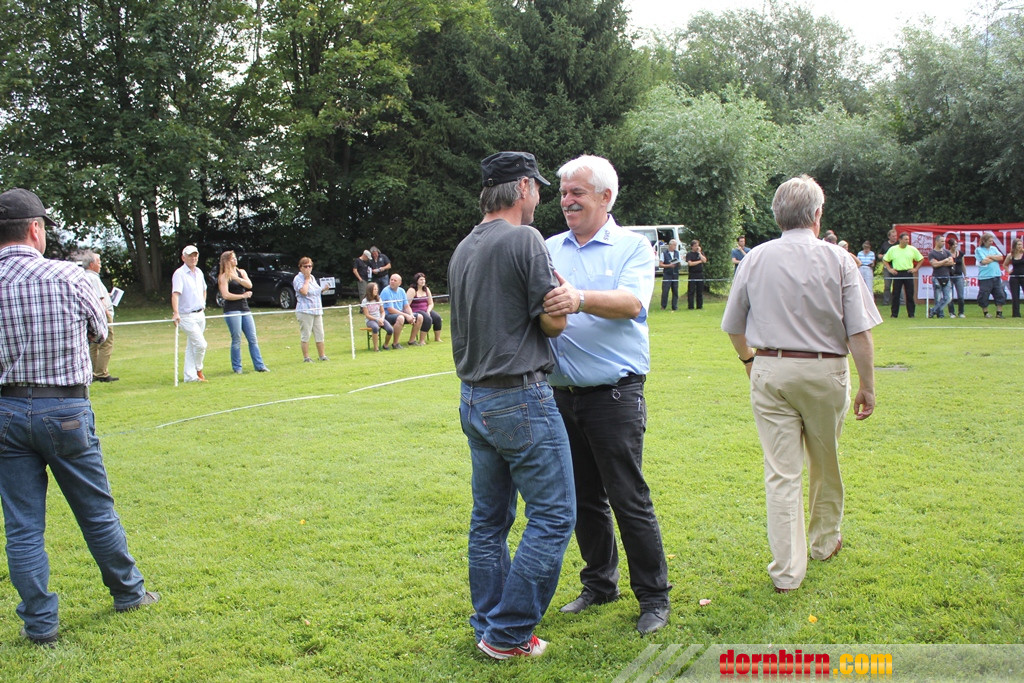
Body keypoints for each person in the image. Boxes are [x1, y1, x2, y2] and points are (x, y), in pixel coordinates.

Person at [0, 188, 159, 646]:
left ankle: (39, 625)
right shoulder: (70, 276)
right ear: (35, 229)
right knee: (95, 510)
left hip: (6, 410)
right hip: (66, 408)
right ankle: (128, 593)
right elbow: (100, 331)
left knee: (22, 527)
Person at [721, 175, 881, 593]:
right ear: (817, 214)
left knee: (781, 473)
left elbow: (733, 325)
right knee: (825, 462)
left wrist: (749, 360)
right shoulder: (840, 259)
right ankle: (824, 543)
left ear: (777, 215)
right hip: (825, 370)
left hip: (770, 368)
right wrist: (868, 384)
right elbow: (859, 331)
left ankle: (787, 571)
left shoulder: (754, 258)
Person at [448, 151, 574, 660]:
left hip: (473, 398)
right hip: (520, 398)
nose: (541, 196)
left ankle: (489, 622)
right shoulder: (526, 240)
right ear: (522, 187)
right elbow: (553, 322)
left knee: (489, 520)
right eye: (538, 186)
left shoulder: (464, 248)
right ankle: (508, 634)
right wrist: (564, 298)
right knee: (554, 515)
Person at [543, 155, 671, 635]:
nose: (567, 201)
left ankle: (654, 597)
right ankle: (600, 584)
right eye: (563, 193)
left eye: (576, 192)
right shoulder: (548, 248)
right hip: (561, 395)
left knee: (627, 497)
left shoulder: (632, 247)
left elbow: (633, 303)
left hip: (614, 396)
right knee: (583, 499)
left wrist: (578, 298)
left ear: (606, 197)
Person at [218, 251, 269, 373]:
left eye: (235, 258)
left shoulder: (241, 272)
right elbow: (225, 295)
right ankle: (237, 368)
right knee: (237, 339)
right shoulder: (223, 277)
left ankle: (260, 366)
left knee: (253, 338)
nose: (235, 260)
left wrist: (236, 278)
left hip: (245, 309)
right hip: (232, 310)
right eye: (232, 258)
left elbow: (249, 284)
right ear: (226, 261)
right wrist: (243, 296)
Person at [171, 244, 209, 382]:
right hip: (186, 315)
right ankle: (198, 370)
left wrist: (203, 304)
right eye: (190, 256)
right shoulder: (179, 274)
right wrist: (176, 312)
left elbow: (204, 289)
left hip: (200, 314)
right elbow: (175, 294)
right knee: (201, 344)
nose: (193, 258)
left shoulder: (199, 272)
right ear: (183, 258)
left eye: (195, 255)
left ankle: (189, 376)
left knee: (192, 345)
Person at [83, 250, 118, 382]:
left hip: (92, 314)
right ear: (91, 264)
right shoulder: (94, 278)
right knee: (106, 342)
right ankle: (102, 373)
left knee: (94, 344)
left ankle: (93, 371)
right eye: (98, 262)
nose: (100, 265)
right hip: (102, 314)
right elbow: (99, 298)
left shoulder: (84, 276)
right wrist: (107, 313)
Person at [293, 256, 329, 362]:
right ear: (300, 267)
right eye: (305, 266)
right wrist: (307, 280)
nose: (308, 268)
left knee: (320, 333)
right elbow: (304, 292)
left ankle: (322, 355)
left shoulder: (312, 277)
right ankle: (306, 357)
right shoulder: (298, 278)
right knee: (306, 335)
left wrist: (323, 289)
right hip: (305, 310)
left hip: (317, 309)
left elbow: (316, 291)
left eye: (310, 266)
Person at [882, 233, 923, 318]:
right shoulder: (893, 249)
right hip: (897, 273)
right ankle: (894, 314)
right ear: (900, 240)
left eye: (908, 239)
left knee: (910, 294)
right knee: (896, 294)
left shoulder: (912, 249)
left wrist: (915, 269)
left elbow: (921, 259)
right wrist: (890, 269)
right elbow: (885, 259)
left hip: (908, 272)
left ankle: (911, 314)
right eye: (905, 239)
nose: (907, 241)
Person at [380, 273, 420, 348]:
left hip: (400, 314)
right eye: (391, 280)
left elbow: (406, 306)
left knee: (420, 317)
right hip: (387, 315)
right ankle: (395, 344)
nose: (392, 281)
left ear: (399, 283)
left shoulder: (401, 291)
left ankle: (411, 341)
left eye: (395, 280)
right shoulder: (386, 291)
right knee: (400, 318)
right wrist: (406, 315)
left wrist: (411, 315)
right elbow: (390, 309)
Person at [975, 233, 1006, 318]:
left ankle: (999, 313)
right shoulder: (979, 250)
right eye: (989, 241)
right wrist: (994, 258)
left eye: (992, 241)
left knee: (1000, 294)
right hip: (985, 277)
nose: (991, 242)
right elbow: (984, 261)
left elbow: (1001, 257)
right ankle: (986, 313)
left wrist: (990, 256)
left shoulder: (994, 248)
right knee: (984, 295)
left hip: (996, 275)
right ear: (984, 241)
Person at [407, 272, 443, 343]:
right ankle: (422, 340)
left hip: (426, 310)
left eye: (424, 279)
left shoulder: (426, 289)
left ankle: (437, 338)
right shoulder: (412, 290)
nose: (423, 281)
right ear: (416, 281)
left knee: (437, 318)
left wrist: (428, 311)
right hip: (416, 310)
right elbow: (407, 304)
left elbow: (431, 303)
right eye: (421, 279)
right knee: (427, 319)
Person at [361, 281, 394, 351]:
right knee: (375, 327)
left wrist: (382, 318)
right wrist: (377, 320)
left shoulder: (379, 299)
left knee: (390, 329)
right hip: (370, 320)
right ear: (370, 290)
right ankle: (376, 348)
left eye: (377, 289)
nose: (376, 290)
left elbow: (382, 311)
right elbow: (367, 315)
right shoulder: (365, 301)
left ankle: (385, 345)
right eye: (374, 289)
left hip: (380, 319)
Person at [927, 236, 954, 319]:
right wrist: (945, 261)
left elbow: (951, 262)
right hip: (937, 277)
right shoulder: (932, 253)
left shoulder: (947, 252)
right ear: (936, 242)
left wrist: (940, 263)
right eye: (942, 241)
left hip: (947, 276)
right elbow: (934, 264)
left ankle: (933, 310)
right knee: (938, 298)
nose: (943, 243)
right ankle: (940, 314)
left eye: (944, 241)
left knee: (948, 298)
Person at [1002, 238, 1024, 318]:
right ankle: (1016, 314)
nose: (1020, 246)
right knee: (1015, 296)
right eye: (1018, 244)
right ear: (1014, 246)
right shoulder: (1011, 255)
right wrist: (1008, 271)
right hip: (1014, 277)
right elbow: (1004, 265)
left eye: (1021, 244)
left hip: (1023, 276)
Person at [685, 239, 708, 310]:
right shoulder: (689, 254)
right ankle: (691, 306)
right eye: (695, 246)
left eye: (697, 246)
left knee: (700, 291)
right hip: (692, 274)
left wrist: (700, 253)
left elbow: (704, 260)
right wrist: (699, 261)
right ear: (692, 247)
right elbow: (690, 263)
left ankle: (699, 306)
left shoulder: (700, 253)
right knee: (691, 290)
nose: (697, 247)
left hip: (700, 273)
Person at [878, 228, 899, 306]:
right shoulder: (885, 244)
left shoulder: (898, 244)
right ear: (889, 237)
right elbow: (879, 255)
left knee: (898, 285)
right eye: (893, 236)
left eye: (895, 236)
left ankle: (900, 301)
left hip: (897, 267)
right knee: (887, 285)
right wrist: (883, 256)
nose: (895, 237)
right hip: (887, 267)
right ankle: (886, 301)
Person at [947, 237, 966, 318]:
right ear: (950, 245)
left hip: (959, 276)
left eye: (956, 244)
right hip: (949, 276)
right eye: (954, 244)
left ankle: (961, 312)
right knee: (950, 296)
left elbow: (963, 265)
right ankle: (951, 312)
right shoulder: (946, 253)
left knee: (961, 296)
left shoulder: (960, 253)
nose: (955, 246)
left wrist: (965, 275)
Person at [660, 239, 682, 310]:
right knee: (665, 290)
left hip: (675, 274)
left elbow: (680, 263)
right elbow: (661, 264)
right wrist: (669, 265)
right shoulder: (664, 253)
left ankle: (674, 306)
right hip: (667, 274)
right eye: (674, 245)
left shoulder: (677, 253)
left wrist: (678, 263)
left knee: (675, 290)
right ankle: (663, 306)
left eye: (676, 245)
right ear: (670, 245)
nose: (675, 247)